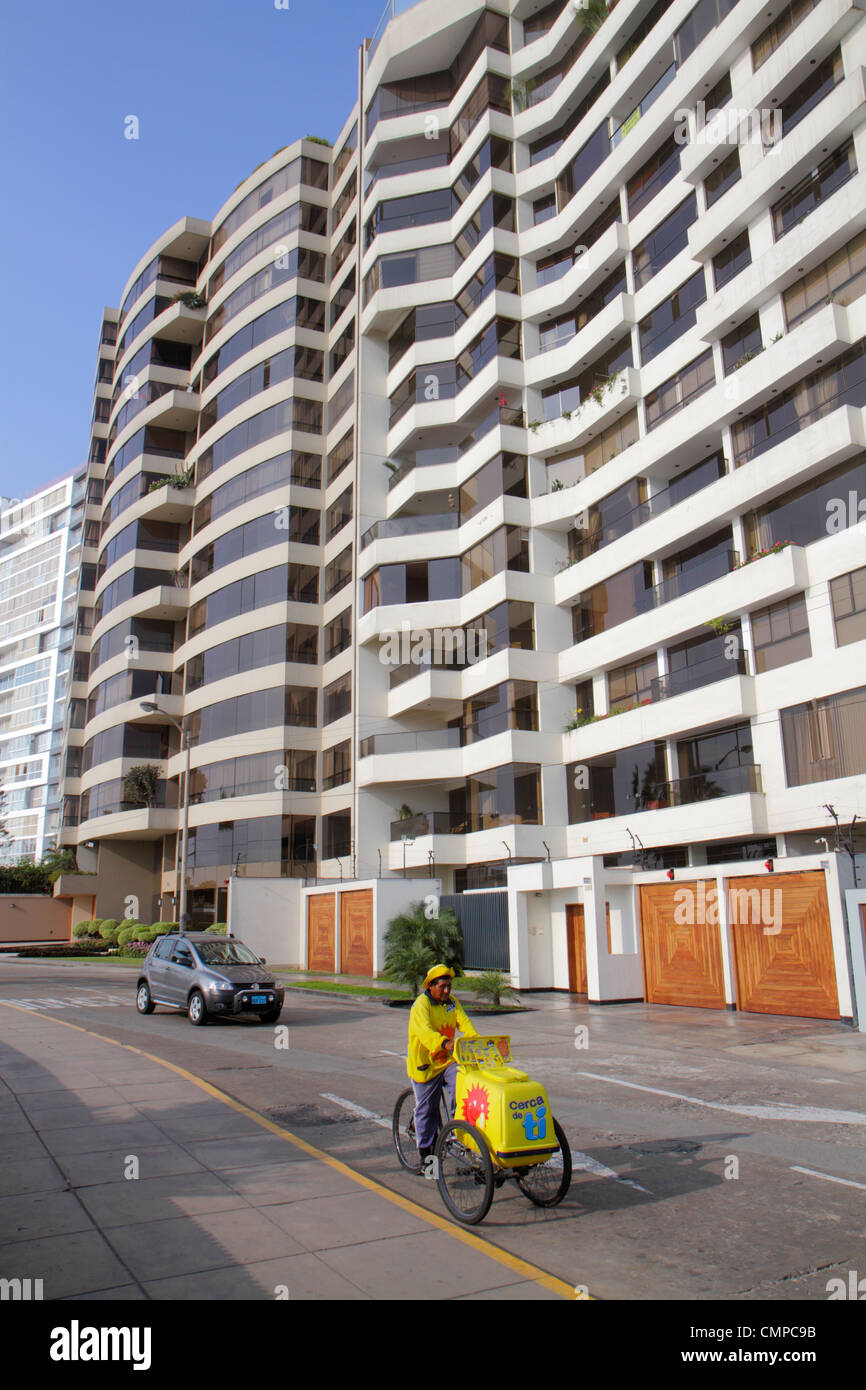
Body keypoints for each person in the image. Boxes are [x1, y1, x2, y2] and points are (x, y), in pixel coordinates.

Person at [407, 964, 479, 1170]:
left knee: (463, 1087)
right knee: (426, 1110)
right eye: (442, 987)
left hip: (447, 1061)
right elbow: (424, 1031)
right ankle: (426, 1158)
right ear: (431, 986)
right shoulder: (421, 1005)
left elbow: (464, 1023)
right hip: (426, 1064)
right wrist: (445, 1043)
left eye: (449, 986)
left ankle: (459, 1129)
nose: (446, 991)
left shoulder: (451, 1003)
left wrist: (475, 1040)